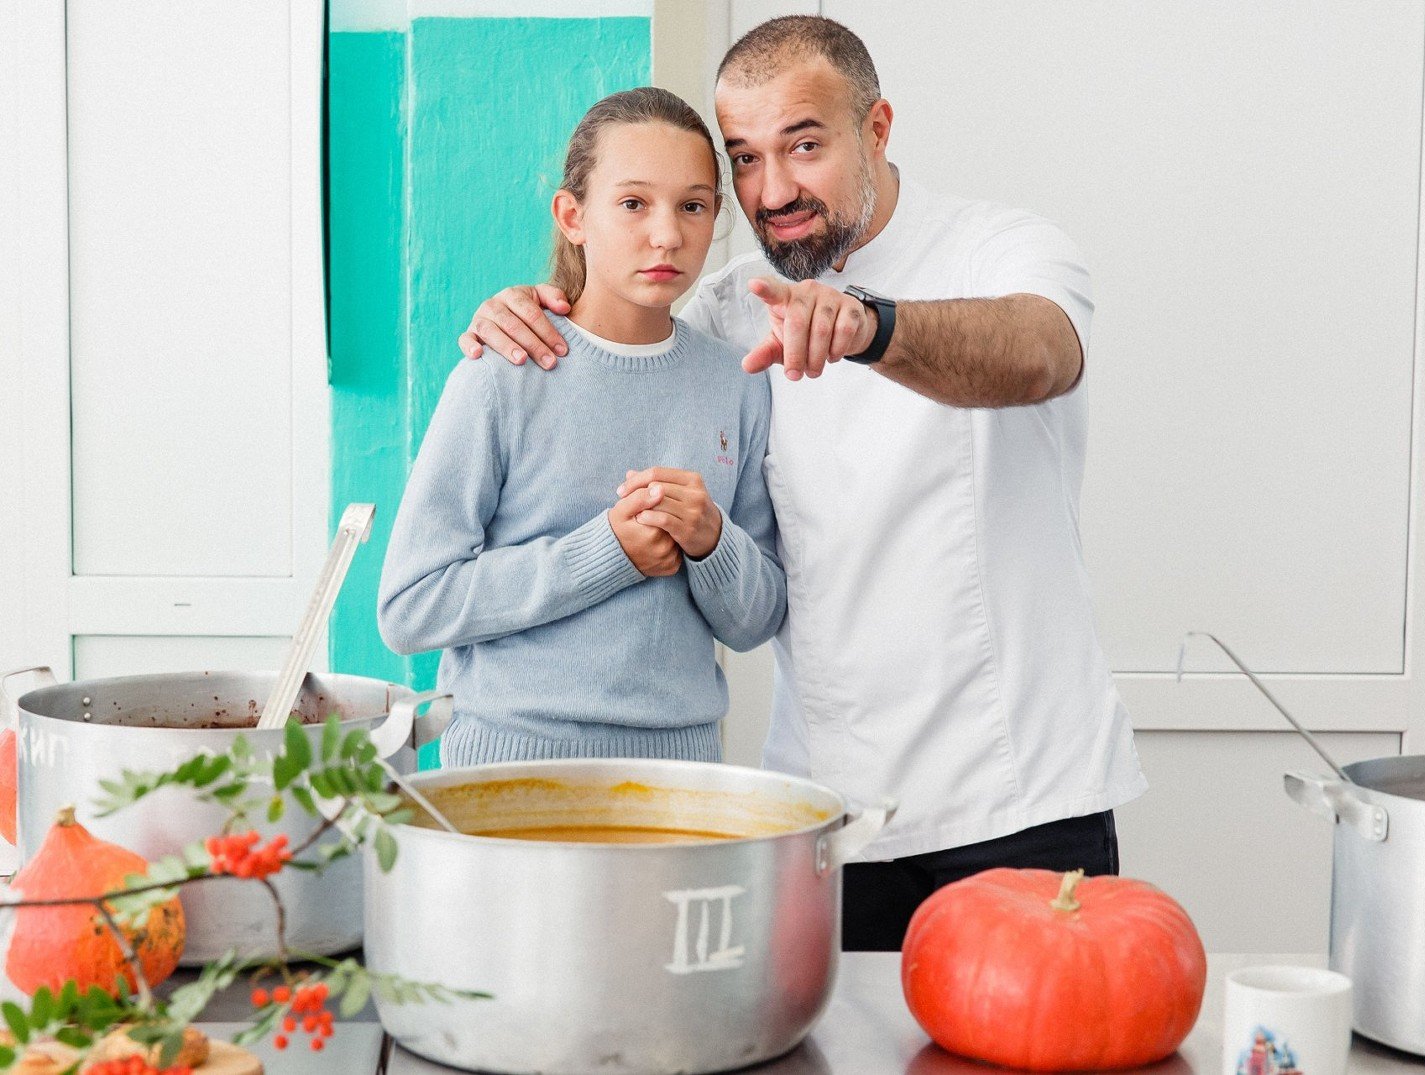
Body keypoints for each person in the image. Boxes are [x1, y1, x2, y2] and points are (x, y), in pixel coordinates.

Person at [457, 17, 1146, 949]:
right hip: (824, 812)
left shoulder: (1007, 249)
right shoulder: (724, 308)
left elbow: (1037, 355)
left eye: (804, 146)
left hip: (1017, 796)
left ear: (878, 128)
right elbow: (611, 326)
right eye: (744, 158)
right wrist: (519, 309)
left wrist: (869, 327)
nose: (772, 190)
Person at [378, 87, 786, 768]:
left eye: (693, 206)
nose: (667, 234)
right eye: (633, 204)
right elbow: (411, 606)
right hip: (507, 772)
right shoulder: (504, 370)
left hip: (681, 778)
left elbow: (757, 619)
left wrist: (713, 541)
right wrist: (606, 555)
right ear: (573, 216)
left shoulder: (737, 380)